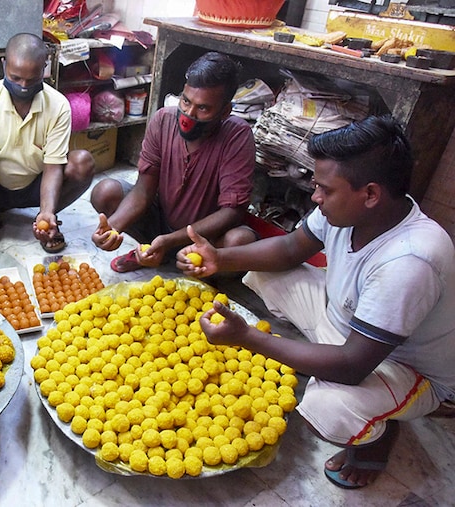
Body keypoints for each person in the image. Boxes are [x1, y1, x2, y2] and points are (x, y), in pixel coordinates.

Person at [177, 115, 455, 489]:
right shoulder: (349, 211)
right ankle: (323, 360)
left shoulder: (409, 261)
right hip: (347, 322)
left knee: (326, 409)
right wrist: (220, 258)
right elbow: (291, 248)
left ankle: (379, 433)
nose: (315, 197)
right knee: (261, 272)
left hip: (400, 366)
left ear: (370, 194)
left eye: (325, 189)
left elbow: (354, 365)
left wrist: (248, 338)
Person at [90, 52, 257, 273]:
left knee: (240, 240)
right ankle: (152, 251)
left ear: (225, 111)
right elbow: (143, 190)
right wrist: (113, 228)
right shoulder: (163, 120)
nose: (189, 114)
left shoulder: (237, 136)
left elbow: (231, 213)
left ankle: (181, 262)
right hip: (161, 222)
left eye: (203, 108)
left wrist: (170, 240)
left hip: (204, 236)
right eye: (186, 101)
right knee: (106, 191)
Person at [0, 32, 95, 252]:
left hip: (35, 184)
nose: (23, 86)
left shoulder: (58, 105)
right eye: (15, 78)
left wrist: (47, 213)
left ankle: (45, 221)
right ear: (4, 65)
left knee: (82, 163)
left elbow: (53, 167)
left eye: (32, 80)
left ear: (45, 67)